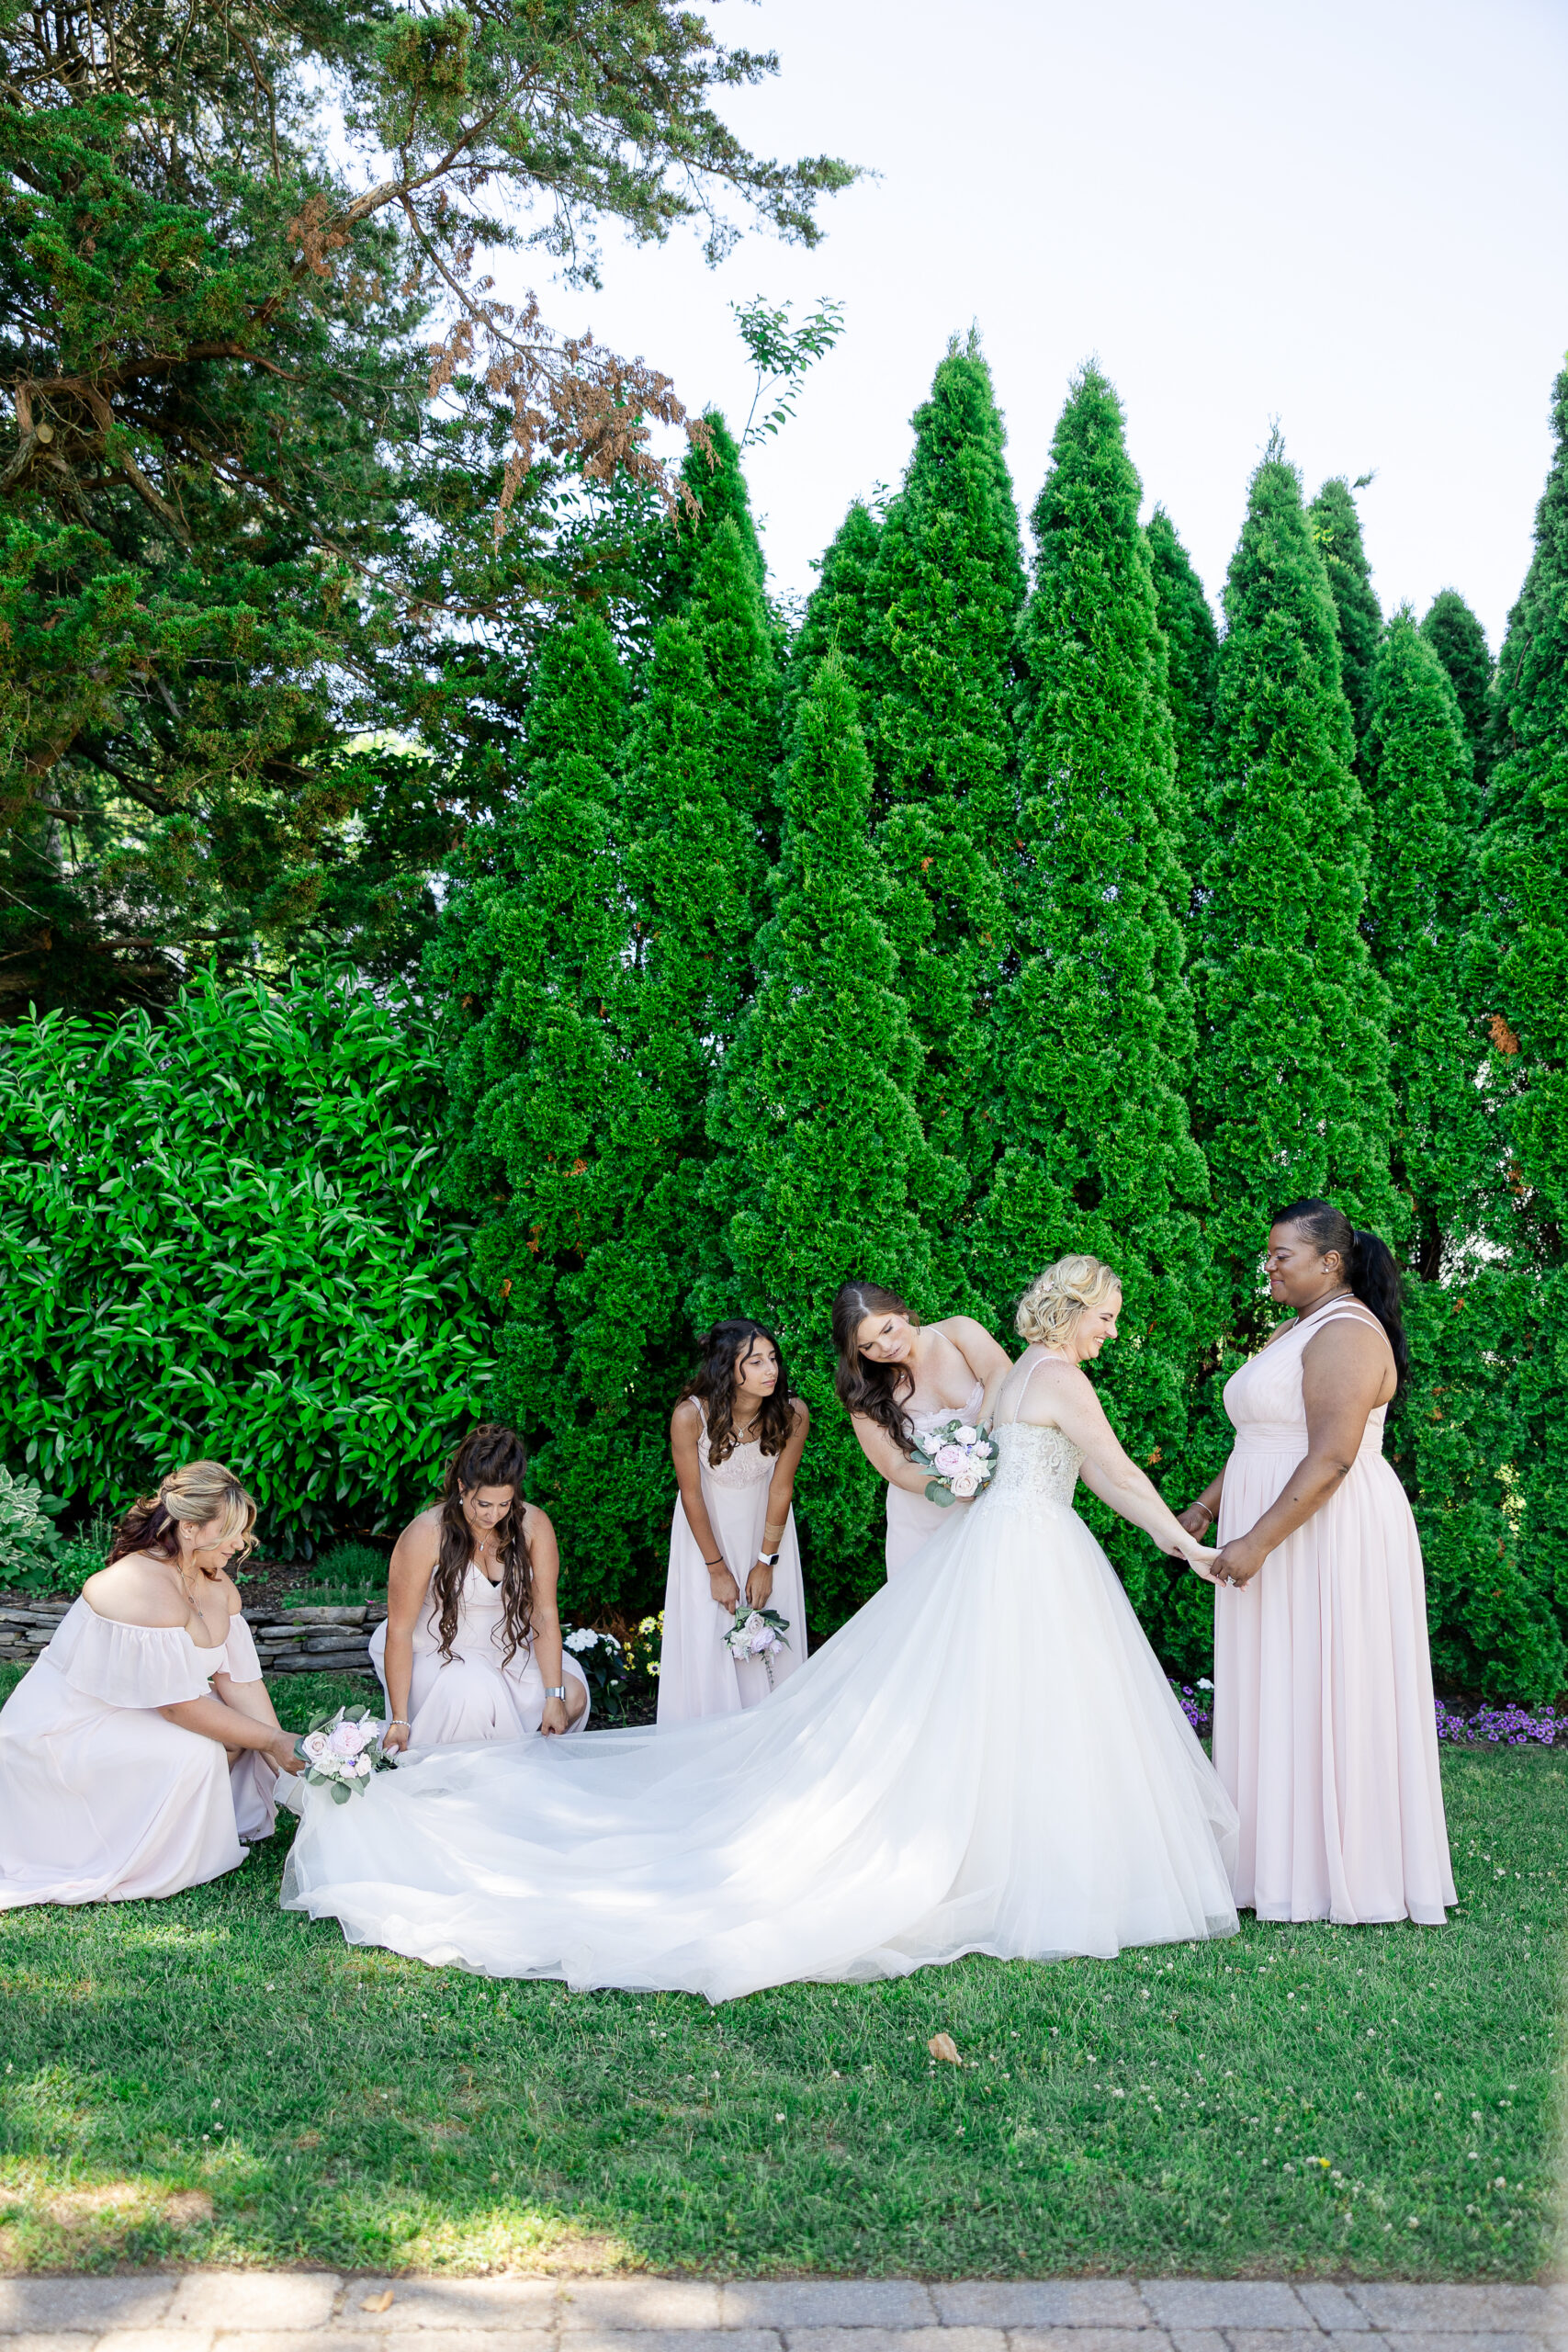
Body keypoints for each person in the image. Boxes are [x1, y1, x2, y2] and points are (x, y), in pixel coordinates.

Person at [281, 1253, 1237, 1998]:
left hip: (996, 1540)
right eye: (1108, 1316)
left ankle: (1010, 1847)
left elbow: (991, 1448)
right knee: (1031, 1703)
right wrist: (1181, 1544)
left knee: (999, 1707)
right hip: (1030, 1547)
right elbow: (1114, 1474)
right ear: (1074, 1311)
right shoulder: (1058, 1381)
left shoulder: (1021, 1368)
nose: (1114, 1332)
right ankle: (1027, 1859)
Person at [1174, 1199, 1454, 1928]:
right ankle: (1271, 1865)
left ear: (1329, 1262)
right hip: (1275, 1518)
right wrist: (1207, 1507)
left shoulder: (1347, 1334)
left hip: (1324, 1532)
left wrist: (1257, 1540)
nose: (1268, 1265)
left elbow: (1330, 1456)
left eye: (1280, 1255)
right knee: (1279, 1683)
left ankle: (1341, 1873)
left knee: (1329, 1682)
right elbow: (1260, 1436)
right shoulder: (1294, 1329)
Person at [0, 1461, 302, 1909]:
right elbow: (178, 1707)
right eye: (231, 1532)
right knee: (199, 1749)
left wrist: (291, 1767)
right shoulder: (141, 1585)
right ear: (190, 1528)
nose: (241, 1544)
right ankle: (143, 1854)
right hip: (68, 1727)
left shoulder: (215, 1583)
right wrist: (271, 1740)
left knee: (235, 1730)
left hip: (140, 1706)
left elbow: (240, 1684)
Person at [371, 1422, 589, 1751]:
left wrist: (552, 1695)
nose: (494, 1516)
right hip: (436, 1649)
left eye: (504, 1504)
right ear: (462, 1486)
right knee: (471, 1692)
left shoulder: (534, 1524)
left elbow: (544, 1615)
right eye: (483, 1504)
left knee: (573, 1696)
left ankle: (514, 1772)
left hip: (509, 1646)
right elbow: (399, 1631)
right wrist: (400, 1719)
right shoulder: (426, 1533)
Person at [659, 1321, 811, 1724]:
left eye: (773, 1359)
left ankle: (773, 1732)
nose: (770, 1370)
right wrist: (716, 1568)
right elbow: (691, 1494)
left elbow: (781, 1490)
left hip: (766, 1531)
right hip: (706, 1533)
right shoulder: (690, 1416)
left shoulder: (793, 1413)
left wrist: (765, 1563)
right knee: (712, 1626)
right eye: (756, 1361)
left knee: (769, 1615)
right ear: (728, 1369)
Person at [831, 1282, 1011, 1577]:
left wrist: (981, 1435)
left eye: (887, 1329)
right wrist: (952, 1483)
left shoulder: (957, 1331)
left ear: (901, 1312)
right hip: (924, 1521)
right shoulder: (861, 1391)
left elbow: (1001, 1372)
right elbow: (895, 1468)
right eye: (867, 1346)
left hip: (997, 1500)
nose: (885, 1348)